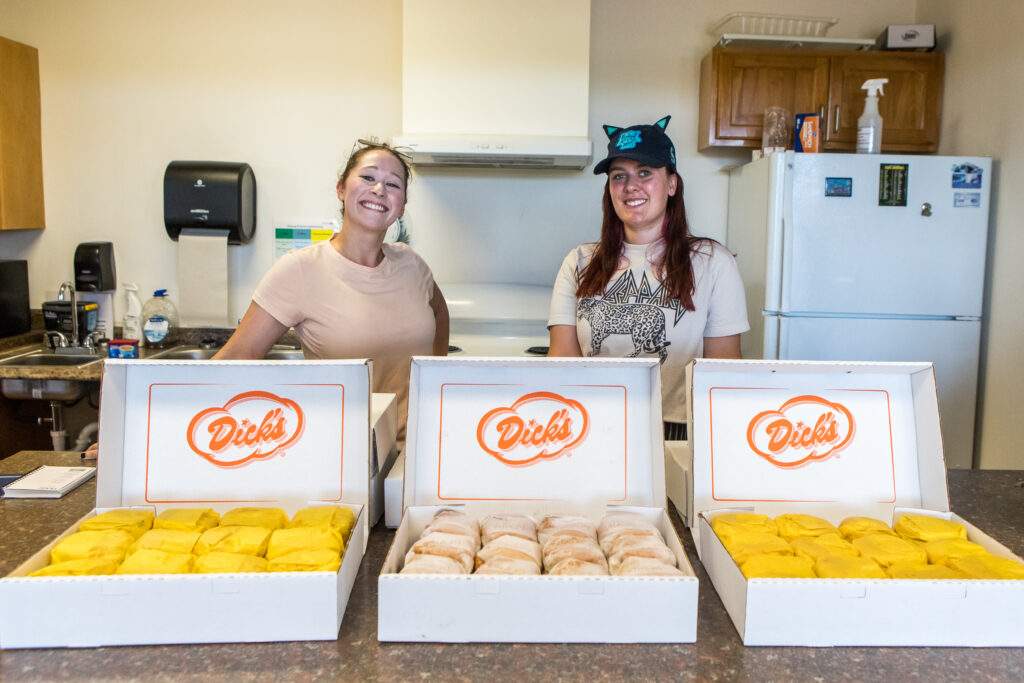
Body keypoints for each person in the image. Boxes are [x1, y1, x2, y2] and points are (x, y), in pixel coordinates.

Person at [214, 139, 449, 441]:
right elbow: (237, 357)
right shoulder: (300, 269)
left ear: (401, 205)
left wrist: (435, 377)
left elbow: (439, 313)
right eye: (368, 177)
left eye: (393, 184)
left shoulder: (412, 265)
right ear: (341, 188)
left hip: (418, 445)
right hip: (342, 452)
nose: (379, 189)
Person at [547, 116, 748, 440]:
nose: (630, 186)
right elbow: (562, 366)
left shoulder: (713, 264)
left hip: (681, 433)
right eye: (618, 176)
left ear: (671, 184)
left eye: (645, 173)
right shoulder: (579, 262)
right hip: (595, 427)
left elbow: (724, 374)